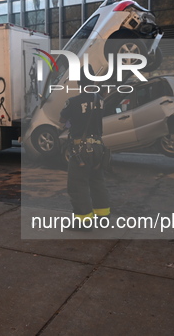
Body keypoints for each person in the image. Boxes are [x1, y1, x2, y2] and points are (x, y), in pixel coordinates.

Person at [59, 68, 110, 230]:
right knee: (97, 182)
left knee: (78, 185)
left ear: (79, 83)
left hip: (80, 149)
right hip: (98, 148)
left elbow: (62, 119)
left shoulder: (73, 101)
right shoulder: (100, 100)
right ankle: (103, 217)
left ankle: (83, 222)